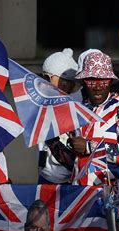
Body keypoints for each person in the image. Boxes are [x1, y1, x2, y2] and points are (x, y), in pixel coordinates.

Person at [68, 50, 119, 199]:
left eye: (103, 80)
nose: (97, 86)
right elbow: (72, 158)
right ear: (83, 82)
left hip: (113, 194)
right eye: (91, 80)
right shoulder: (78, 109)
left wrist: (89, 146)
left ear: (110, 82)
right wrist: (58, 145)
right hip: (80, 193)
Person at [37, 48, 80, 184]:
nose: (44, 81)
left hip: (68, 179)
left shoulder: (75, 105)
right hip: (45, 175)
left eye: (48, 77)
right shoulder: (42, 103)